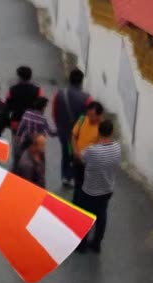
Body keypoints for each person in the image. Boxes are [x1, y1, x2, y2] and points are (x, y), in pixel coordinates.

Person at [74, 119, 121, 254]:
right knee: (101, 216)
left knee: (85, 216)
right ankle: (96, 244)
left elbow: (80, 158)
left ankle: (82, 245)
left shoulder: (92, 150)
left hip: (90, 190)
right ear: (111, 132)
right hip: (107, 189)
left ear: (98, 132)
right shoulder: (117, 147)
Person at [52, 69, 90, 188]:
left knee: (66, 152)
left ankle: (66, 176)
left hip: (63, 131)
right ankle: (73, 177)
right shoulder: (86, 98)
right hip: (79, 134)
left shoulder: (59, 94)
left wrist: (59, 126)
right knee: (77, 155)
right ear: (81, 81)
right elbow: (90, 118)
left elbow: (54, 112)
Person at [70, 101, 104, 199]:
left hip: (90, 166)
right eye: (88, 114)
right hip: (77, 161)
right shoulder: (82, 120)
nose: (89, 117)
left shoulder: (102, 128)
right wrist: (75, 150)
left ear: (99, 115)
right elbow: (74, 136)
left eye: (92, 115)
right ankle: (75, 207)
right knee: (77, 186)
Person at [12, 96, 55, 167]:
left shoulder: (27, 114)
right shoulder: (43, 119)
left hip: (26, 143)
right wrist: (60, 130)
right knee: (41, 165)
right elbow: (51, 133)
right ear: (43, 107)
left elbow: (21, 128)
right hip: (37, 145)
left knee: (18, 160)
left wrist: (18, 136)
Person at [5, 66, 44, 134]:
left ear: (19, 77)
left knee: (16, 142)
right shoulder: (38, 90)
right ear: (30, 77)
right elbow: (42, 107)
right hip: (32, 123)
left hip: (16, 122)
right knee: (31, 143)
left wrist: (7, 122)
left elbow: (7, 107)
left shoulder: (12, 90)